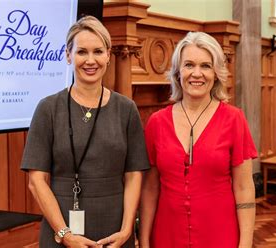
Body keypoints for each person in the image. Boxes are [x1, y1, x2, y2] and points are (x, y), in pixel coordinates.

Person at [21, 16, 150, 248]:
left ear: (108, 55)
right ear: (68, 55)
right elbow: (36, 181)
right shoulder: (48, 109)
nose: (90, 60)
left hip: (115, 233)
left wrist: (127, 229)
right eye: (82, 52)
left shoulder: (126, 109)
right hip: (60, 230)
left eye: (98, 51)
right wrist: (65, 235)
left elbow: (134, 175)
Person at [139, 31, 257, 248]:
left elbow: (244, 187)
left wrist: (246, 243)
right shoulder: (156, 122)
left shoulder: (234, 119)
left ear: (216, 73)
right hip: (167, 236)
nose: (197, 73)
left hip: (220, 235)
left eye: (206, 66)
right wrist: (144, 240)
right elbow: (150, 188)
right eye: (189, 65)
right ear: (177, 72)